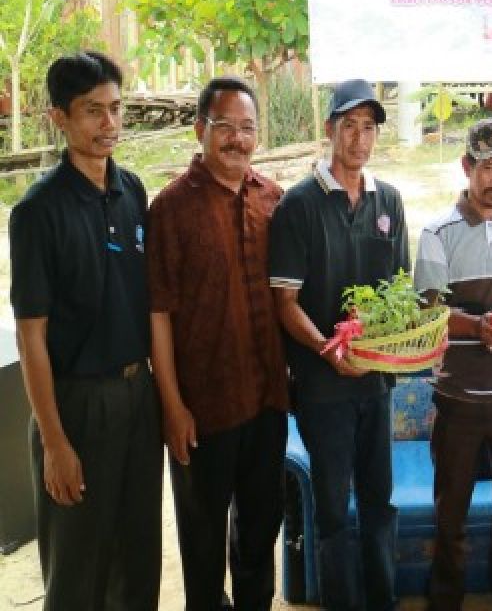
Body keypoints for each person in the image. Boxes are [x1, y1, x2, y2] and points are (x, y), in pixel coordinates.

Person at [9, 51, 162, 610]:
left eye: (116, 109)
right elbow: (30, 338)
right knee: (78, 569)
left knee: (138, 557)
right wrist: (54, 442)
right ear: (59, 119)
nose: (109, 125)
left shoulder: (134, 192)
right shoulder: (37, 213)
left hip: (136, 396)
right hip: (75, 404)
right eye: (92, 111)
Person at [147, 76, 289, 611]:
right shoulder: (170, 209)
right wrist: (172, 406)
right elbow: (158, 313)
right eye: (225, 126)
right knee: (202, 546)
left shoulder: (273, 200)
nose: (237, 139)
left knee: (259, 533)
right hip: (203, 411)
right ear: (200, 128)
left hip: (267, 402)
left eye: (247, 128)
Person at [269, 80, 408, 611]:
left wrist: (395, 347)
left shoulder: (388, 201)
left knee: (379, 503)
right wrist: (329, 348)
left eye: (368, 127)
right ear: (329, 130)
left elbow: (399, 294)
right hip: (324, 388)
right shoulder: (299, 206)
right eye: (348, 125)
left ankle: (383, 600)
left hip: (376, 384)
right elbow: (286, 303)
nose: (358, 138)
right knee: (331, 510)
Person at [414, 119, 492, 611]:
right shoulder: (437, 234)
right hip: (458, 402)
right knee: (451, 517)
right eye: (486, 167)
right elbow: (429, 315)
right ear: (466, 166)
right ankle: (445, 599)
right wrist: (478, 326)